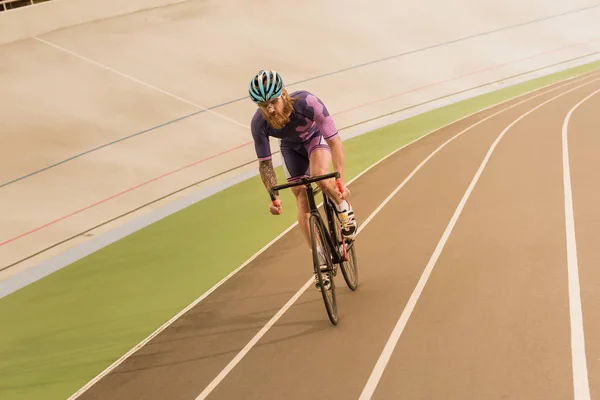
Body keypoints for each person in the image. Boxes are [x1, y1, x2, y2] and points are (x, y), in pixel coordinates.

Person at [248, 69, 358, 291]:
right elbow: (266, 164)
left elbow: (335, 142)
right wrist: (274, 196)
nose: (269, 109)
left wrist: (340, 181)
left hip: (314, 140)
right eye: (262, 105)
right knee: (301, 199)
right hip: (290, 149)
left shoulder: (308, 103)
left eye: (272, 101)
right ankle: (320, 261)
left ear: (284, 94)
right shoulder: (259, 123)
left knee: (319, 175)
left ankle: (343, 209)